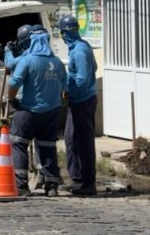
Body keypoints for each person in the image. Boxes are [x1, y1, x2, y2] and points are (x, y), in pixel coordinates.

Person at [7, 28, 67, 195]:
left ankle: (21, 185)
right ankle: (52, 186)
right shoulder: (57, 62)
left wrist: (12, 100)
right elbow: (65, 87)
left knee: (19, 144)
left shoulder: (28, 60)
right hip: (52, 112)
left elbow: (14, 83)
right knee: (48, 146)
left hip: (28, 111)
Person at [60, 16, 98, 196]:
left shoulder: (79, 51)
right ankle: (77, 177)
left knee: (84, 142)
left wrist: (69, 92)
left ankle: (89, 182)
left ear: (64, 33)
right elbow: (94, 68)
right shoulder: (79, 47)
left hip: (83, 100)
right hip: (78, 101)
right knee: (70, 138)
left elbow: (81, 80)